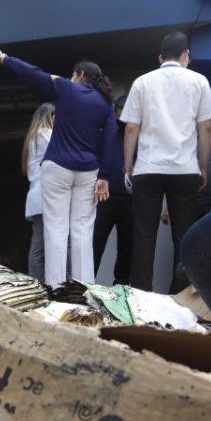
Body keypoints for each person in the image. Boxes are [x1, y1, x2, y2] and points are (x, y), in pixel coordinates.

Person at [0, 47, 113, 287]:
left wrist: (4, 59)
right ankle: (85, 286)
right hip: (89, 170)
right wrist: (105, 175)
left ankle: (56, 288)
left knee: (56, 227)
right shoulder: (105, 104)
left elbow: (33, 74)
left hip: (58, 166)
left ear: (79, 74)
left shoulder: (67, 88)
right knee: (82, 229)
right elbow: (108, 139)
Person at [120, 31, 211, 293]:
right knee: (184, 236)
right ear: (186, 55)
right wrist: (203, 166)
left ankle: (141, 294)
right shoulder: (199, 81)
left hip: (148, 167)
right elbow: (205, 128)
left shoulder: (142, 82)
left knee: (144, 235)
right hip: (184, 168)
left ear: (160, 57)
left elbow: (131, 128)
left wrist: (128, 166)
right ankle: (180, 294)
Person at [92, 94, 133, 285]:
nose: (122, 119)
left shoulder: (139, 133)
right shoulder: (106, 132)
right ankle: (86, 283)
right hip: (104, 197)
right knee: (95, 243)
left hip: (130, 199)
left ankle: (121, 288)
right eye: (119, 114)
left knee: (127, 248)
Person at [22, 102, 55, 282]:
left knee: (39, 243)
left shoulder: (32, 137)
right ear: (50, 117)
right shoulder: (46, 134)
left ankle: (37, 281)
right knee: (41, 246)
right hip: (45, 195)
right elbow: (60, 152)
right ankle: (38, 282)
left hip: (36, 194)